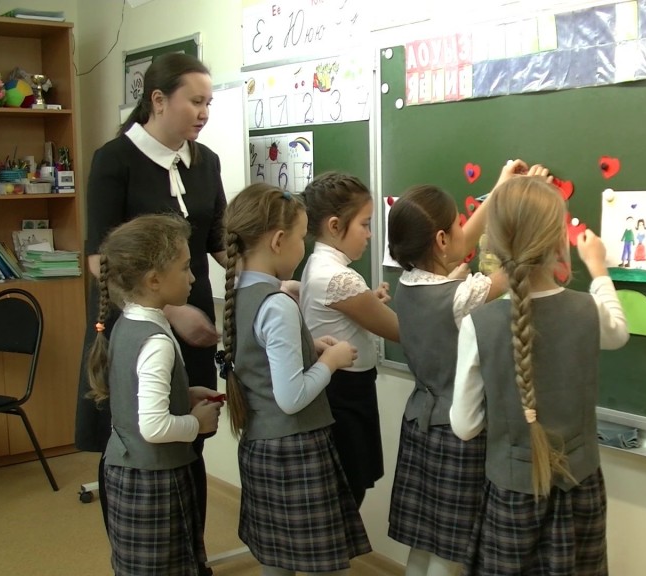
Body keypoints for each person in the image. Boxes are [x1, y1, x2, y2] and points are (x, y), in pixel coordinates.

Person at [74, 53, 226, 555]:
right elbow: (99, 260)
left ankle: (189, 553)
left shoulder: (206, 162)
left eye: (209, 102)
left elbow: (219, 243)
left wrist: (268, 278)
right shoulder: (114, 160)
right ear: (158, 100)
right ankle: (136, 553)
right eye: (195, 101)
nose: (204, 113)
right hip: (134, 318)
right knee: (135, 437)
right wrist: (167, 311)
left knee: (190, 431)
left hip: (191, 314)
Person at [450, 177, 630, 575]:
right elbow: (618, 333)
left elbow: (464, 426)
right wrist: (598, 269)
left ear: (493, 245)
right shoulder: (588, 310)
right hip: (580, 489)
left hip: (512, 494)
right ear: (559, 243)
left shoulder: (479, 324)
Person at [386, 161, 548, 576]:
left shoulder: (407, 284)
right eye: (458, 224)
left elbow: (458, 245)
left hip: (419, 422)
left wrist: (499, 189)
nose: (465, 230)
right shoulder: (461, 296)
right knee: (450, 550)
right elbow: (515, 271)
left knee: (424, 541)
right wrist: (531, 206)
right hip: (457, 431)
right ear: (441, 239)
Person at [219, 183, 371, 576]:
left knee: (278, 559)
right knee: (325, 564)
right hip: (293, 450)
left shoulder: (240, 294)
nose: (304, 248)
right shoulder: (277, 305)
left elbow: (259, 359)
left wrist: (309, 348)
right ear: (278, 241)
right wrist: (332, 361)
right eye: (302, 238)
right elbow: (291, 397)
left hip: (260, 446)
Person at [86, 214, 223, 576]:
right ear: (154, 280)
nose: (193, 277)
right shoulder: (156, 342)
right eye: (185, 267)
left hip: (127, 471)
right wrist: (196, 423)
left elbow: (136, 397)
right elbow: (153, 427)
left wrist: (183, 394)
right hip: (154, 482)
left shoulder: (129, 323)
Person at [300, 171, 399, 507]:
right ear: (334, 226)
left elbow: (347, 312)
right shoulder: (338, 277)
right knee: (346, 492)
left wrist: (368, 301)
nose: (370, 234)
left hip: (344, 389)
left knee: (346, 489)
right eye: (365, 224)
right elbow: (400, 331)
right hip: (344, 395)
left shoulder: (319, 264)